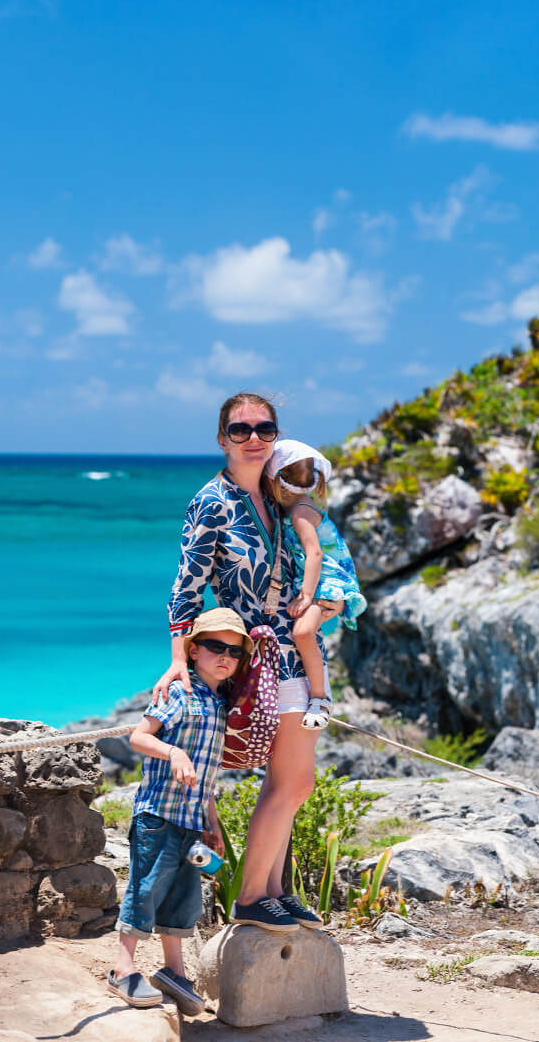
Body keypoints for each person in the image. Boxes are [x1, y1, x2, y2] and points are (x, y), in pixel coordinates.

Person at [162, 393, 339, 933]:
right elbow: (186, 590)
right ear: (223, 439)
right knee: (290, 783)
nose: (254, 438)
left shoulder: (280, 493)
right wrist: (178, 663)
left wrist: (328, 602)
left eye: (265, 428)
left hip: (298, 654)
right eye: (240, 430)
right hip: (256, 660)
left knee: (294, 784)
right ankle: (251, 898)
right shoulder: (211, 502)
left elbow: (318, 556)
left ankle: (274, 892)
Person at [109, 607, 244, 1013]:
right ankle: (122, 969)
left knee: (184, 898)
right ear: (194, 650)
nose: (225, 657)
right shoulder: (180, 693)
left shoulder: (220, 705)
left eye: (234, 652)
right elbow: (138, 736)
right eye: (216, 647)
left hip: (191, 820)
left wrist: (212, 822)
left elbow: (207, 775)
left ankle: (173, 972)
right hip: (158, 814)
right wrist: (173, 751)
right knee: (146, 889)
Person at [263, 438, 367, 729]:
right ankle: (317, 694)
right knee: (304, 633)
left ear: (277, 481)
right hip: (326, 580)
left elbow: (315, 553)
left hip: (328, 581)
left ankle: (320, 699)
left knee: (303, 632)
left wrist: (306, 595)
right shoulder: (303, 505)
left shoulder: (300, 511)